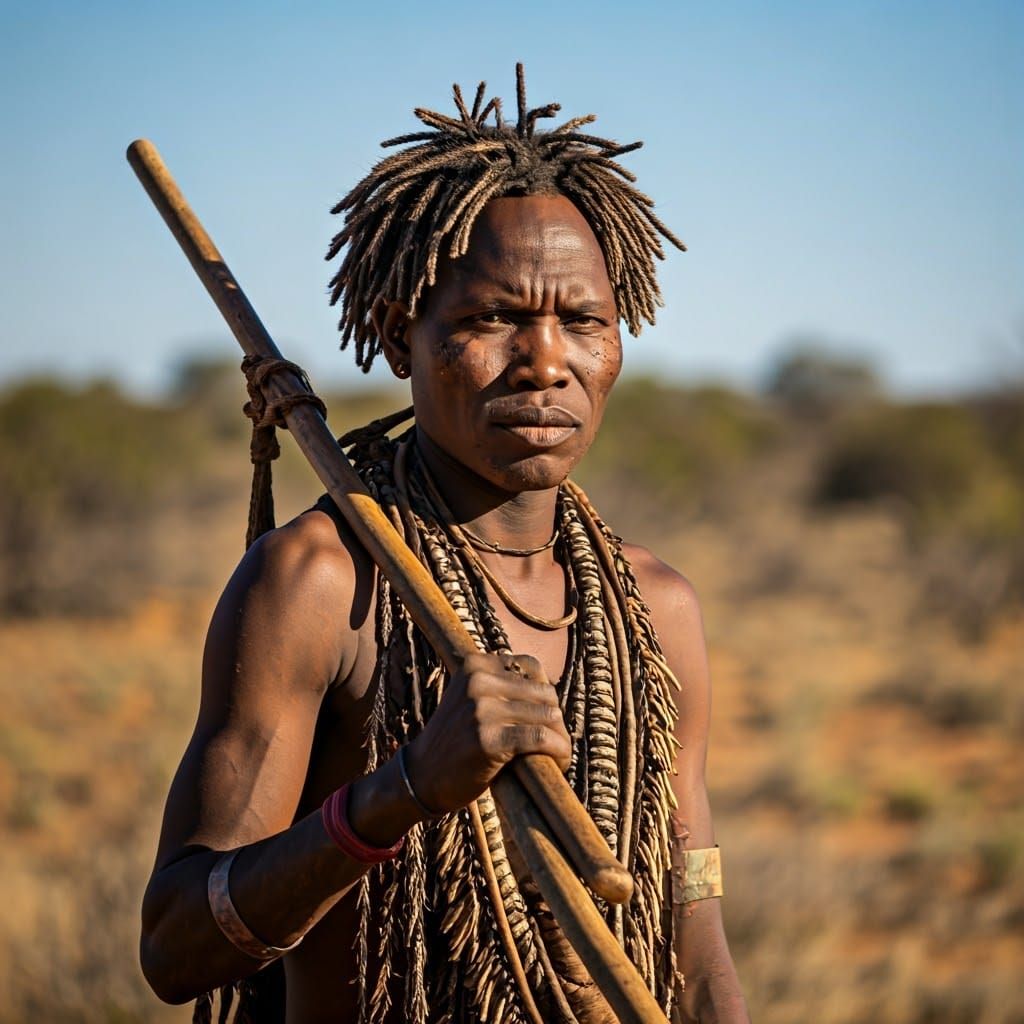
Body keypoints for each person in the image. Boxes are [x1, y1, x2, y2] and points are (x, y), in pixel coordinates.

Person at [140, 66, 749, 1024]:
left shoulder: (656, 609)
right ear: (397, 335)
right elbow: (175, 946)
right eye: (492, 317)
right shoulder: (320, 584)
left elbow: (693, 915)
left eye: (582, 321)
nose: (547, 361)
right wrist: (403, 790)